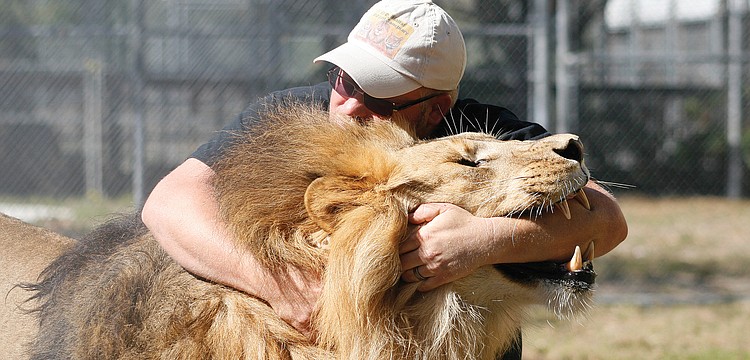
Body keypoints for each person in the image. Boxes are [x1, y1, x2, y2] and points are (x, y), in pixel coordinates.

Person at [141, 0, 627, 358]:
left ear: (435, 107)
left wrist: (481, 242)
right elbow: (168, 202)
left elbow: (605, 219)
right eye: (344, 78)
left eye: (377, 95)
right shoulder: (293, 116)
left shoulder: (479, 133)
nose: (347, 106)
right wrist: (283, 288)